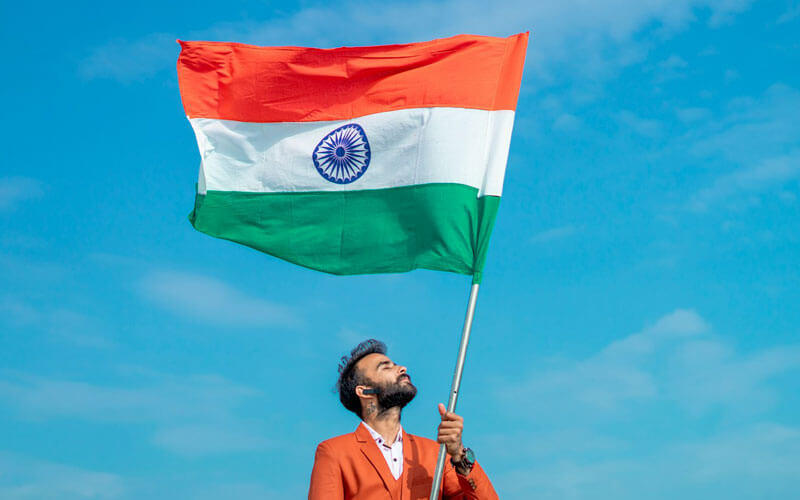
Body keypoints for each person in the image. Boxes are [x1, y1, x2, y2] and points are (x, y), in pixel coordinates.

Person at [308, 339, 499, 500]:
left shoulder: (436, 454)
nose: (402, 368)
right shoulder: (334, 452)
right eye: (385, 367)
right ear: (364, 391)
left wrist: (458, 455)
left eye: (396, 364)